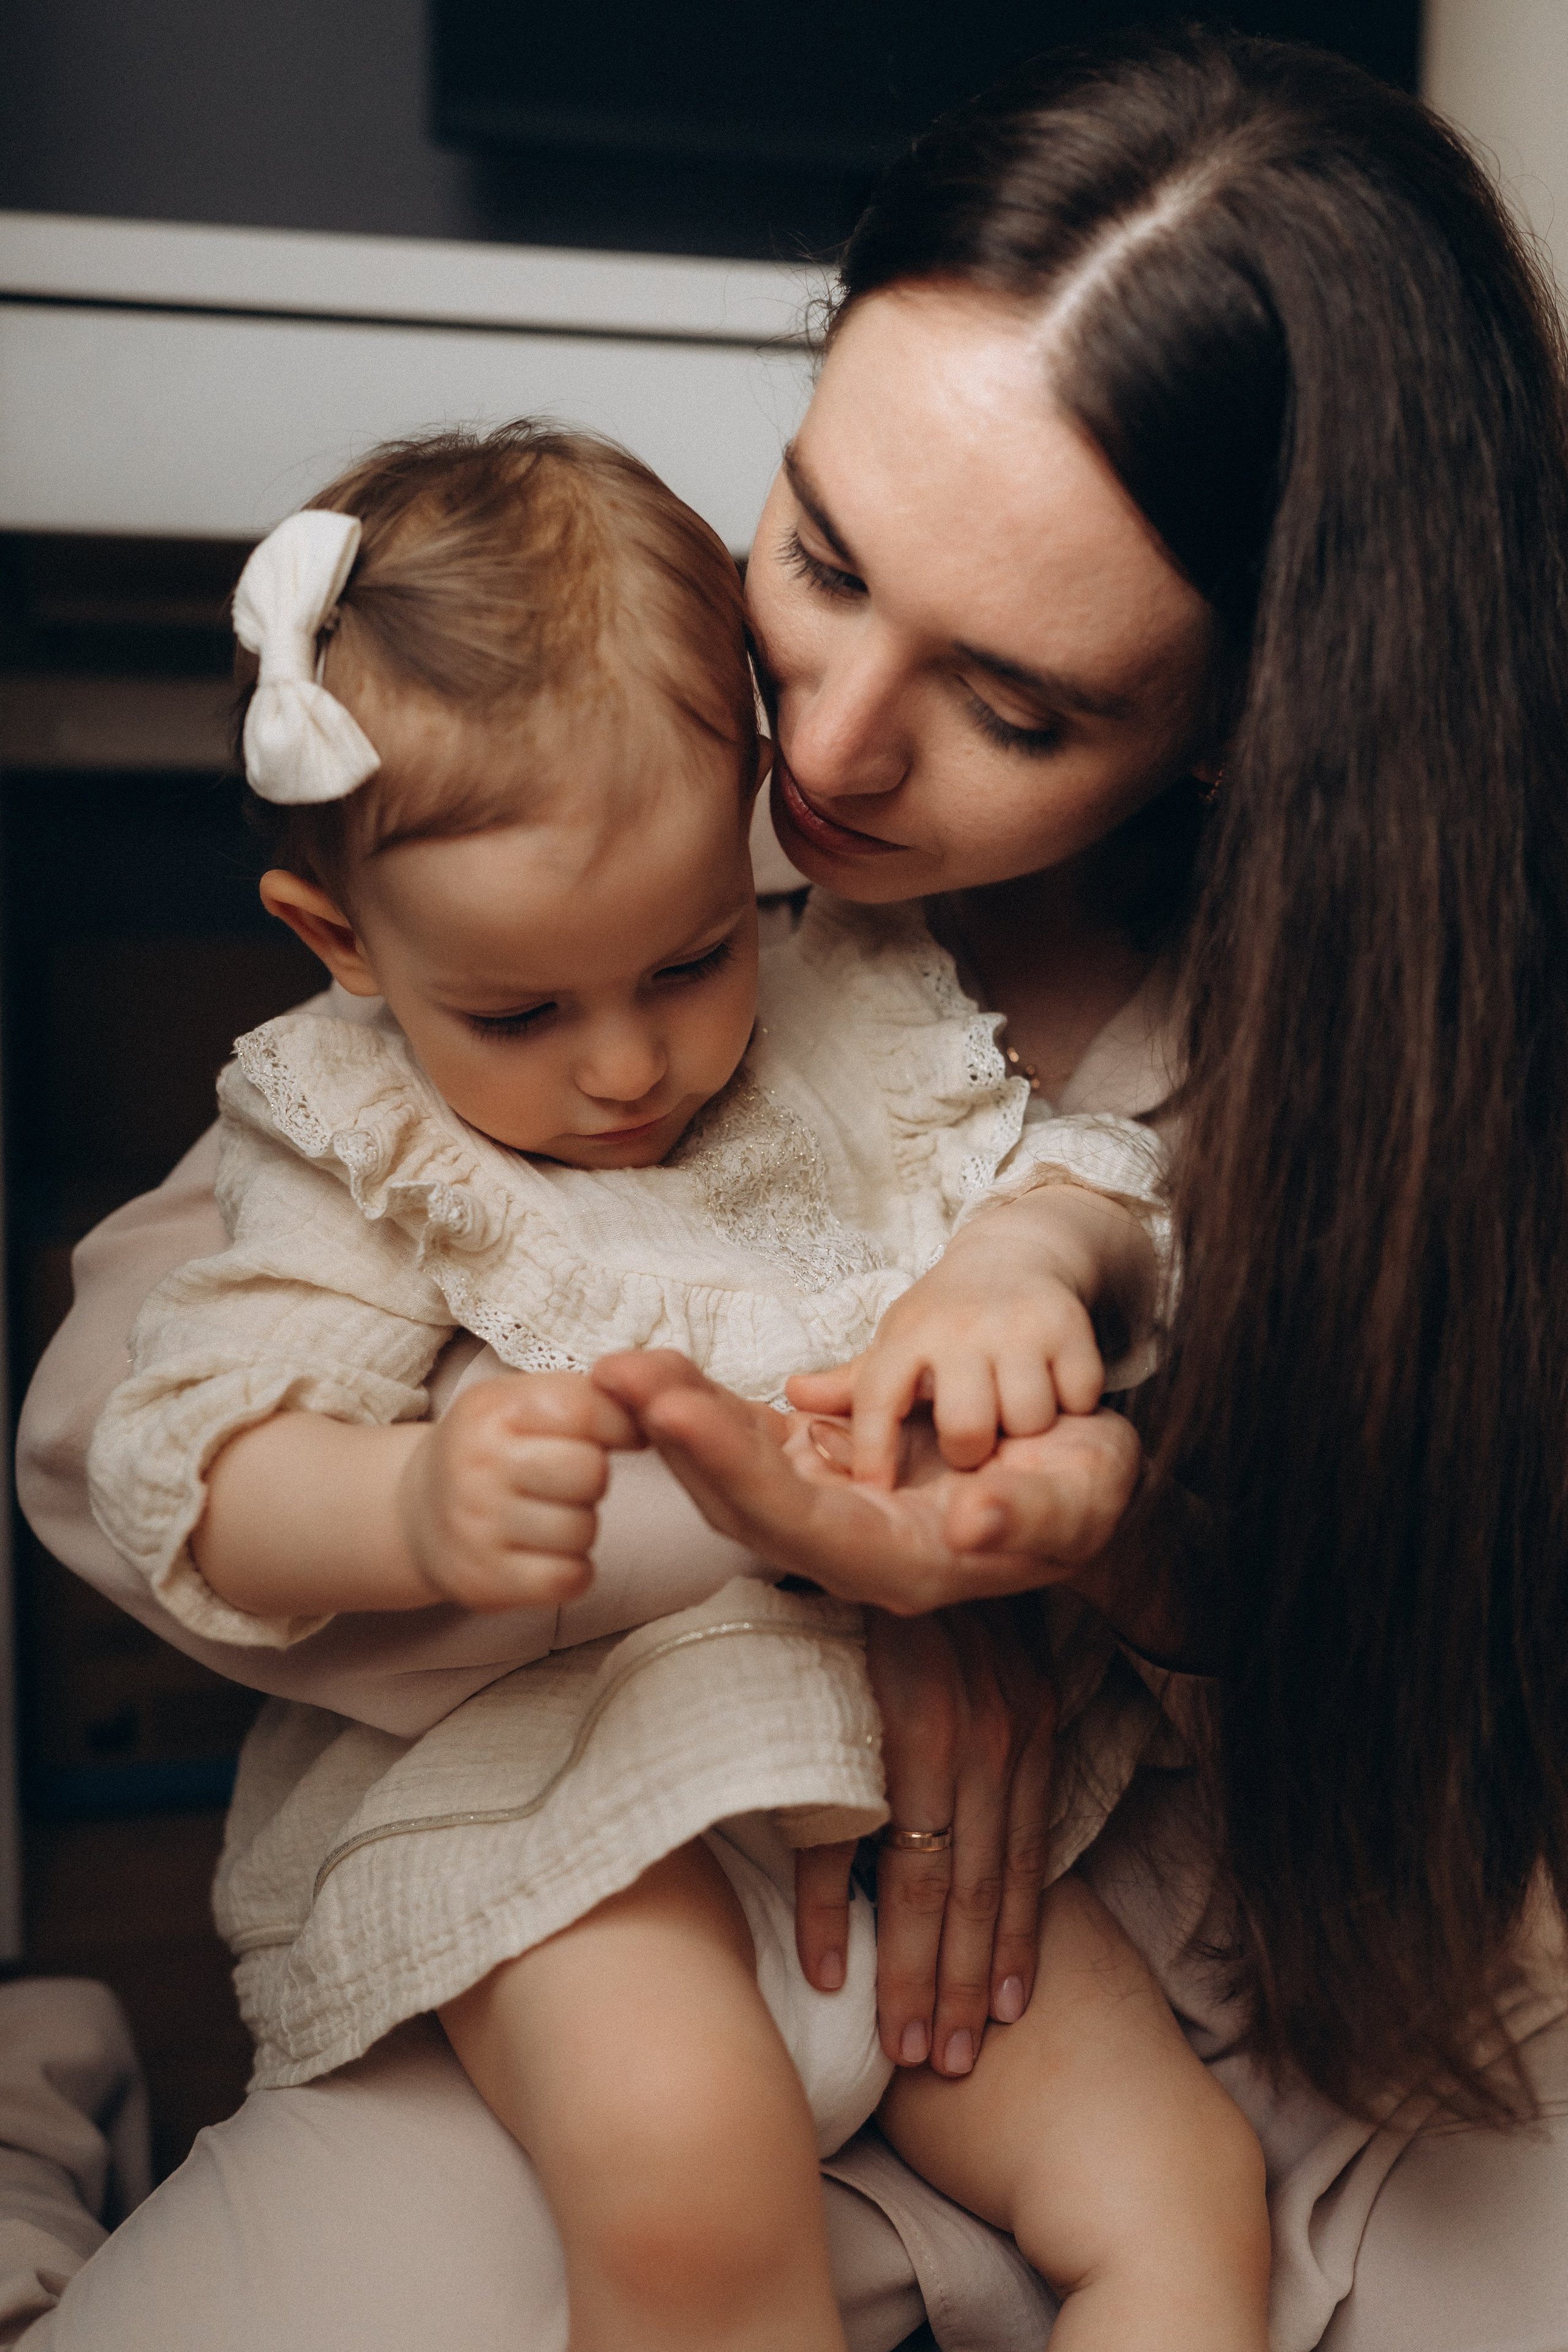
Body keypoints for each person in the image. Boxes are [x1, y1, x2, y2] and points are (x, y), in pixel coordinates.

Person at [13, 24, 1568, 2350]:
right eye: (819, 556)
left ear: (1261, 710)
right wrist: (747, 1568)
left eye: (1016, 704)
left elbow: (1389, 1580)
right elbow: (141, 1417)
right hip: (610, 1893)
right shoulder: (621, 819)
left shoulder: (1389, 1041)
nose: (822, 749)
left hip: (1173, 1969)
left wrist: (1077, 1564)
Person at [81, 422, 1265, 2352]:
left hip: (905, 1820)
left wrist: (1030, 1264)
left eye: (693, 955)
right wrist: (407, 1506)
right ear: (340, 944)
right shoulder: (348, 1127)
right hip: (560, 1813)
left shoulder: (849, 1002)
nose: (631, 1064)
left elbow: (1089, 1170)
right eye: (528, 1011)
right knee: (695, 2182)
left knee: (1181, 2192)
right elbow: (186, 1458)